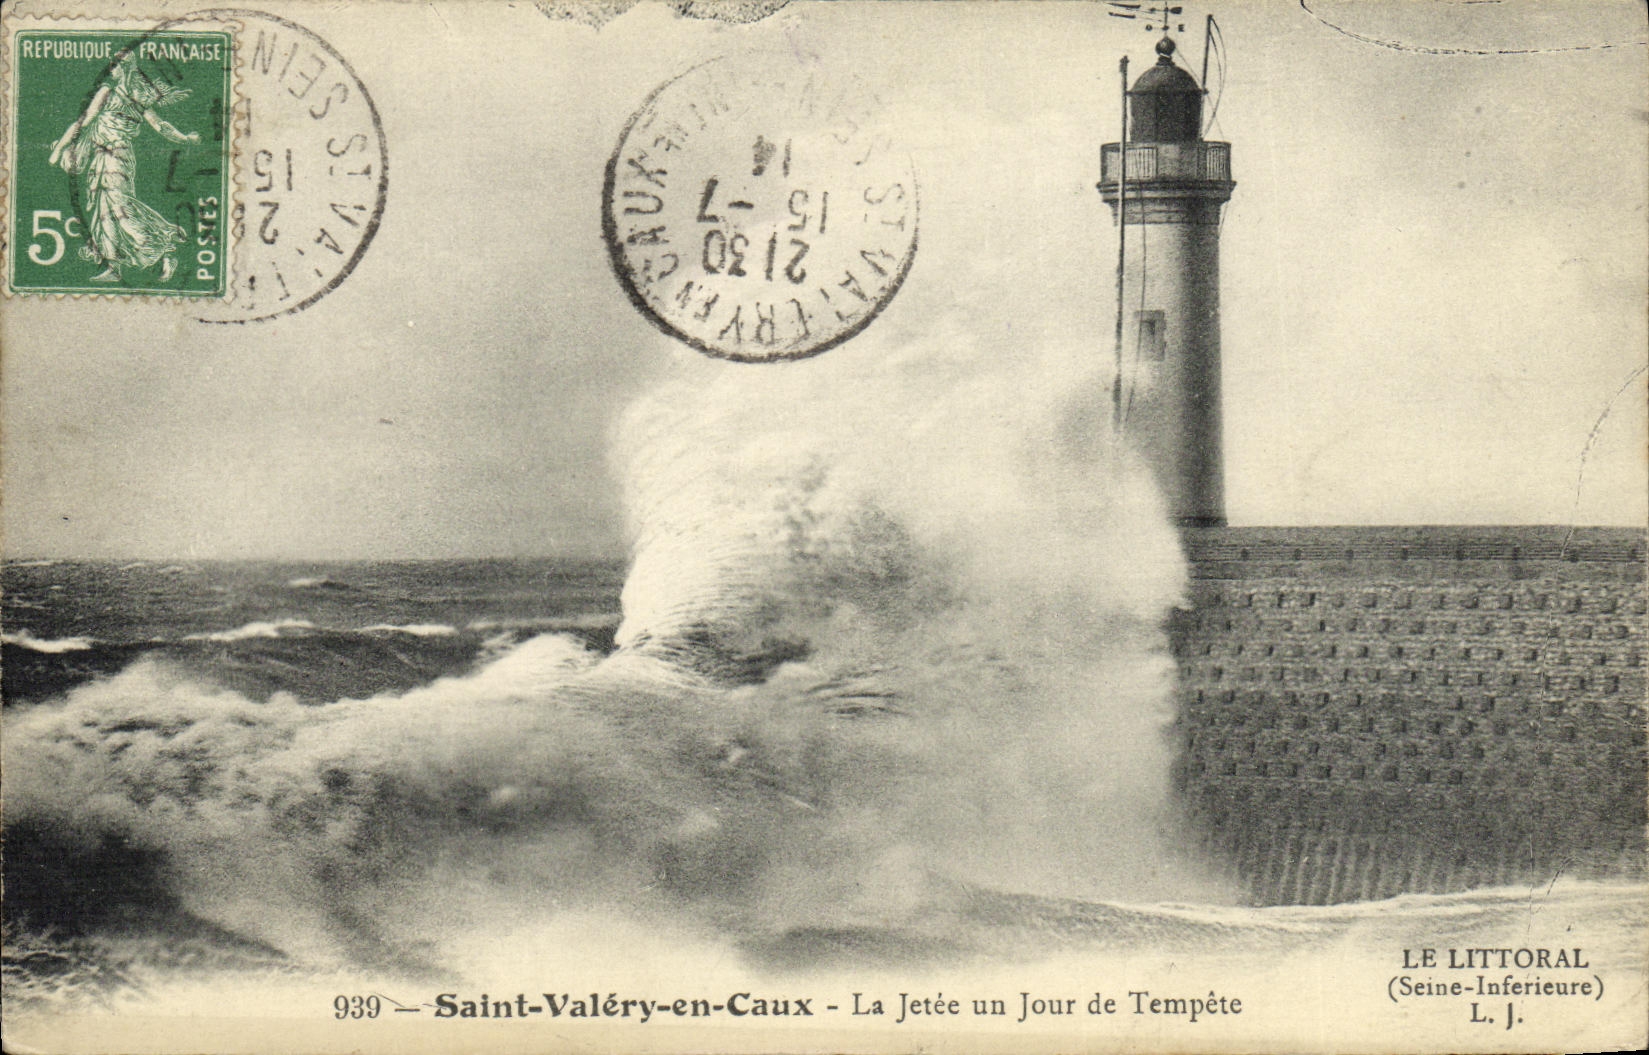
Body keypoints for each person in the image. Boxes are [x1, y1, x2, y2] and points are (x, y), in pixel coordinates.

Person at [48, 51, 200, 282]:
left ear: (126, 69)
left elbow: (84, 121)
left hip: (115, 157)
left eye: (116, 65)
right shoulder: (136, 100)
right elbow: (162, 127)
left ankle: (164, 251)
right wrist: (185, 138)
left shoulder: (111, 93)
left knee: (119, 208)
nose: (112, 69)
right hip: (106, 156)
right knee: (104, 210)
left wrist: (59, 148)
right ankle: (113, 267)